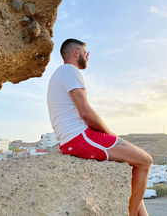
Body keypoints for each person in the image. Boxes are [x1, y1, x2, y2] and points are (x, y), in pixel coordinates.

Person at [47, 38, 152, 216]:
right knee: (145, 161)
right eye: (85, 52)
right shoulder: (69, 70)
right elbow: (85, 113)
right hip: (80, 137)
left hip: (74, 138)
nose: (87, 56)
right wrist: (110, 135)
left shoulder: (61, 73)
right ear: (76, 52)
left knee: (134, 173)